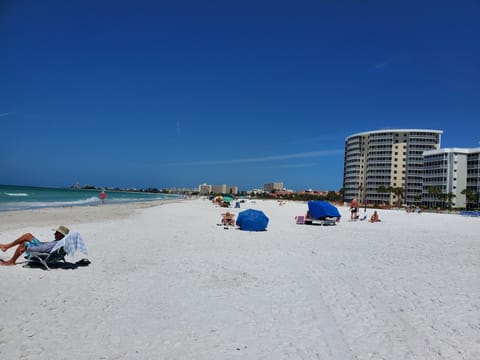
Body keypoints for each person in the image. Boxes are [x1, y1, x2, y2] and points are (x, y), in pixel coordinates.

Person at [0, 225, 69, 266]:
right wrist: (41, 243)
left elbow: (43, 250)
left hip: (40, 250)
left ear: (61, 235)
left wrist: (29, 247)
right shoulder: (61, 242)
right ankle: (6, 247)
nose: (54, 234)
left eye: (56, 233)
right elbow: (48, 246)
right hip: (41, 246)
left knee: (25, 242)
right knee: (27, 236)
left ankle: (11, 260)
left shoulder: (57, 243)